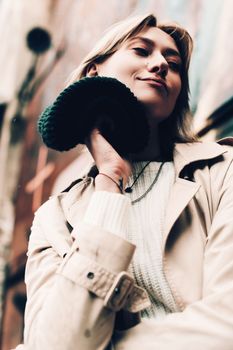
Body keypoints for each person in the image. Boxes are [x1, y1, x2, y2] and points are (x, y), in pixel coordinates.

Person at [15, 13, 233, 350]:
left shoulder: (222, 171)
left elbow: (227, 324)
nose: (160, 63)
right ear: (94, 71)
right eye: (142, 51)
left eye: (173, 64)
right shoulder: (54, 218)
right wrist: (110, 179)